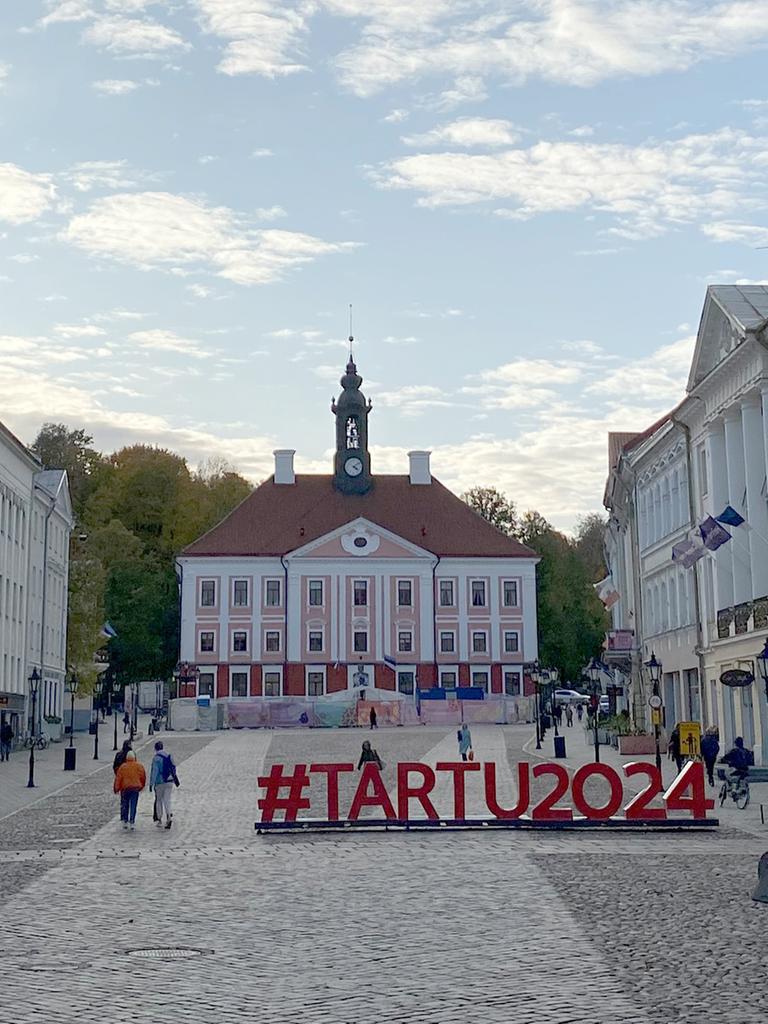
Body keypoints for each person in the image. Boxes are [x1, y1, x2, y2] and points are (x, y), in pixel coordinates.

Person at [149, 741, 179, 830]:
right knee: (167, 800)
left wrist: (151, 784)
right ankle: (169, 816)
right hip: (169, 781)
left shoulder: (156, 758)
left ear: (155, 748)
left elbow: (154, 771)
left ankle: (159, 819)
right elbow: (174, 767)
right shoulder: (169, 755)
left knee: (159, 801)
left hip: (160, 782)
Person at [113, 750, 146, 831]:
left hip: (125, 788)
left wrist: (116, 788)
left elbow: (118, 778)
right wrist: (141, 785)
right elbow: (143, 777)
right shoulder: (139, 766)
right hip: (135, 788)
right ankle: (132, 822)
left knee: (125, 805)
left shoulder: (123, 767)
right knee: (133, 805)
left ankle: (125, 821)